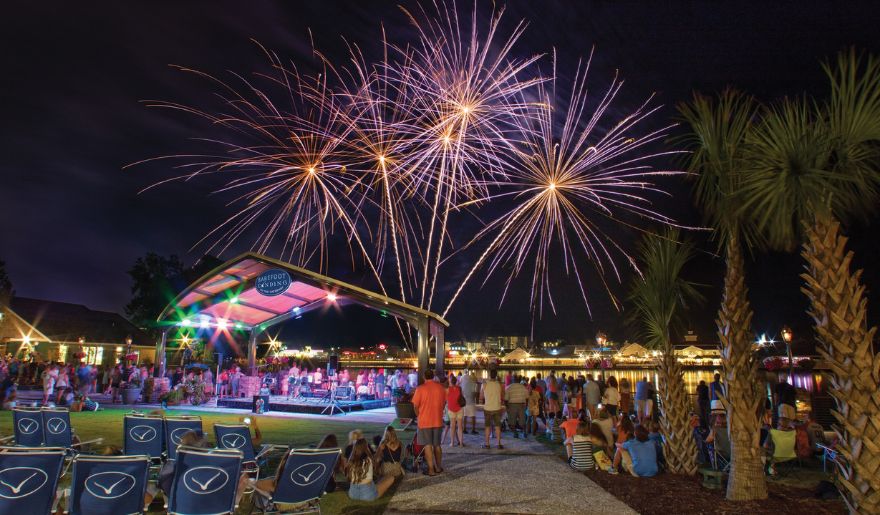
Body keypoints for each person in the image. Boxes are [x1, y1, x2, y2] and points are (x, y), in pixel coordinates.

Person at [412, 369, 446, 475]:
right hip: (437, 420)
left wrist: (419, 415)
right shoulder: (441, 388)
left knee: (427, 445)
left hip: (424, 420)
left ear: (424, 377)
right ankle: (439, 467)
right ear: (433, 376)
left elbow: (415, 406)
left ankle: (431, 469)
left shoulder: (420, 389)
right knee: (437, 445)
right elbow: (444, 403)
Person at [480, 368, 504, 449]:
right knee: (498, 426)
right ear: (496, 375)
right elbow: (502, 395)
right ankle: (498, 444)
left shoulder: (484, 384)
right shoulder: (499, 384)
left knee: (487, 426)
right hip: (497, 407)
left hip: (488, 408)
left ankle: (487, 444)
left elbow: (481, 397)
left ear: (489, 375)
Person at [505, 374, 528, 439]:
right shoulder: (523, 387)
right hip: (522, 405)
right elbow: (527, 398)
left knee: (511, 422)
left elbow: (506, 399)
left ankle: (515, 433)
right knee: (522, 421)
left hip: (512, 405)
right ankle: (524, 432)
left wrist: (507, 407)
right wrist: (526, 405)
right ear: (519, 380)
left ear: (513, 380)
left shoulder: (509, 387)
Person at [446, 374, 465, 446]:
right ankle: (460, 443)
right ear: (456, 381)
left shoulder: (448, 389)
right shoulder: (459, 388)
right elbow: (462, 397)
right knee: (460, 426)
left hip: (451, 409)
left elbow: (446, 399)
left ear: (450, 382)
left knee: (452, 426)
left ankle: (452, 442)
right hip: (459, 409)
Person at [459, 370, 478, 435]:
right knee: (473, 416)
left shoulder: (462, 384)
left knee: (465, 416)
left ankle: (464, 429)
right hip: (471, 401)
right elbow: (474, 393)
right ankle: (473, 429)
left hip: (465, 402)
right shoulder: (473, 384)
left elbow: (461, 393)